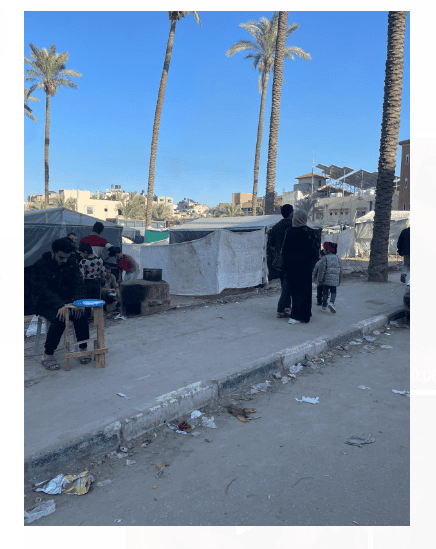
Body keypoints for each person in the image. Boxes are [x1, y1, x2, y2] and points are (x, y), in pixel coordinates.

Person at [31, 237, 90, 370]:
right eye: (61, 257)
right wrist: (59, 305)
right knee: (61, 318)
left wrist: (78, 301)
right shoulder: (40, 265)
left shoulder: (71, 262)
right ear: (53, 252)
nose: (64, 261)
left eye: (67, 258)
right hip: (45, 303)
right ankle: (47, 355)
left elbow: (79, 284)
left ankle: (83, 348)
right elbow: (42, 290)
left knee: (81, 313)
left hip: (67, 301)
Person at [280, 209, 320, 324]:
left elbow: (285, 251)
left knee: (295, 292)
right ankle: (306, 313)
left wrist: (285, 266)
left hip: (292, 267)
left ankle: (297, 316)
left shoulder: (290, 231)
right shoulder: (311, 232)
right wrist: (312, 266)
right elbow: (315, 251)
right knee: (305, 291)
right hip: (306, 267)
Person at [268, 204, 294, 318]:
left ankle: (287, 306)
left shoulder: (276, 227)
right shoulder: (294, 226)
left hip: (279, 262)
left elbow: (271, 244)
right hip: (291, 261)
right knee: (288, 286)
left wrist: (278, 253)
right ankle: (280, 309)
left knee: (284, 284)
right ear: (291, 213)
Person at [78, 242, 107, 320]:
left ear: (85, 252)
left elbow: (82, 275)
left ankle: (87, 317)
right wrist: (103, 280)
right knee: (97, 299)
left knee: (87, 300)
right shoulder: (99, 260)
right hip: (97, 282)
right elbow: (103, 272)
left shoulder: (83, 262)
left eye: (80, 253)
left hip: (87, 283)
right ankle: (97, 317)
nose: (80, 255)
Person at [315, 241, 342, 313]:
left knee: (325, 293)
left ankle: (323, 306)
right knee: (333, 292)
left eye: (324, 249)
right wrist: (339, 279)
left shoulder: (325, 258)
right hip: (335, 279)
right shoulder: (338, 258)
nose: (323, 250)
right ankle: (331, 303)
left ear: (328, 250)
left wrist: (320, 279)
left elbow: (322, 270)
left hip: (326, 280)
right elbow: (341, 270)